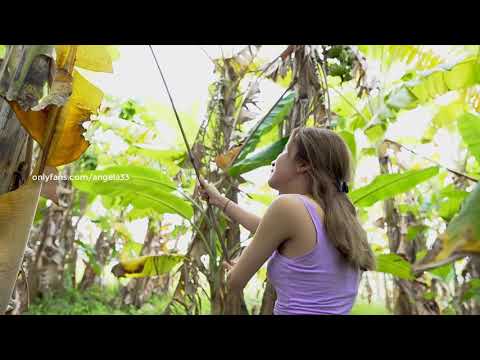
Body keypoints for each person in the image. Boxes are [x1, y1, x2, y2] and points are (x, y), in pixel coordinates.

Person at [198, 126, 375, 315]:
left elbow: (235, 282)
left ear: (302, 165)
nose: (274, 160)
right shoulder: (339, 218)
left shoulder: (288, 206)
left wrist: (235, 269)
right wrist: (220, 201)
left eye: (284, 151)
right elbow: (266, 229)